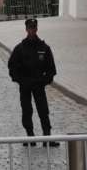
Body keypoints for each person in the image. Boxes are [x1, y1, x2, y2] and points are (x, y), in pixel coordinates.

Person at [7, 18, 58, 147]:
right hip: (25, 86)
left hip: (38, 85)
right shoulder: (20, 49)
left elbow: (51, 69)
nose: (32, 30)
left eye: (34, 28)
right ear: (26, 29)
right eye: (30, 28)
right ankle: (30, 137)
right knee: (26, 110)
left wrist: (44, 81)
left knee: (43, 111)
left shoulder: (44, 48)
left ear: (36, 29)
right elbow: (12, 66)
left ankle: (47, 137)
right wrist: (20, 80)